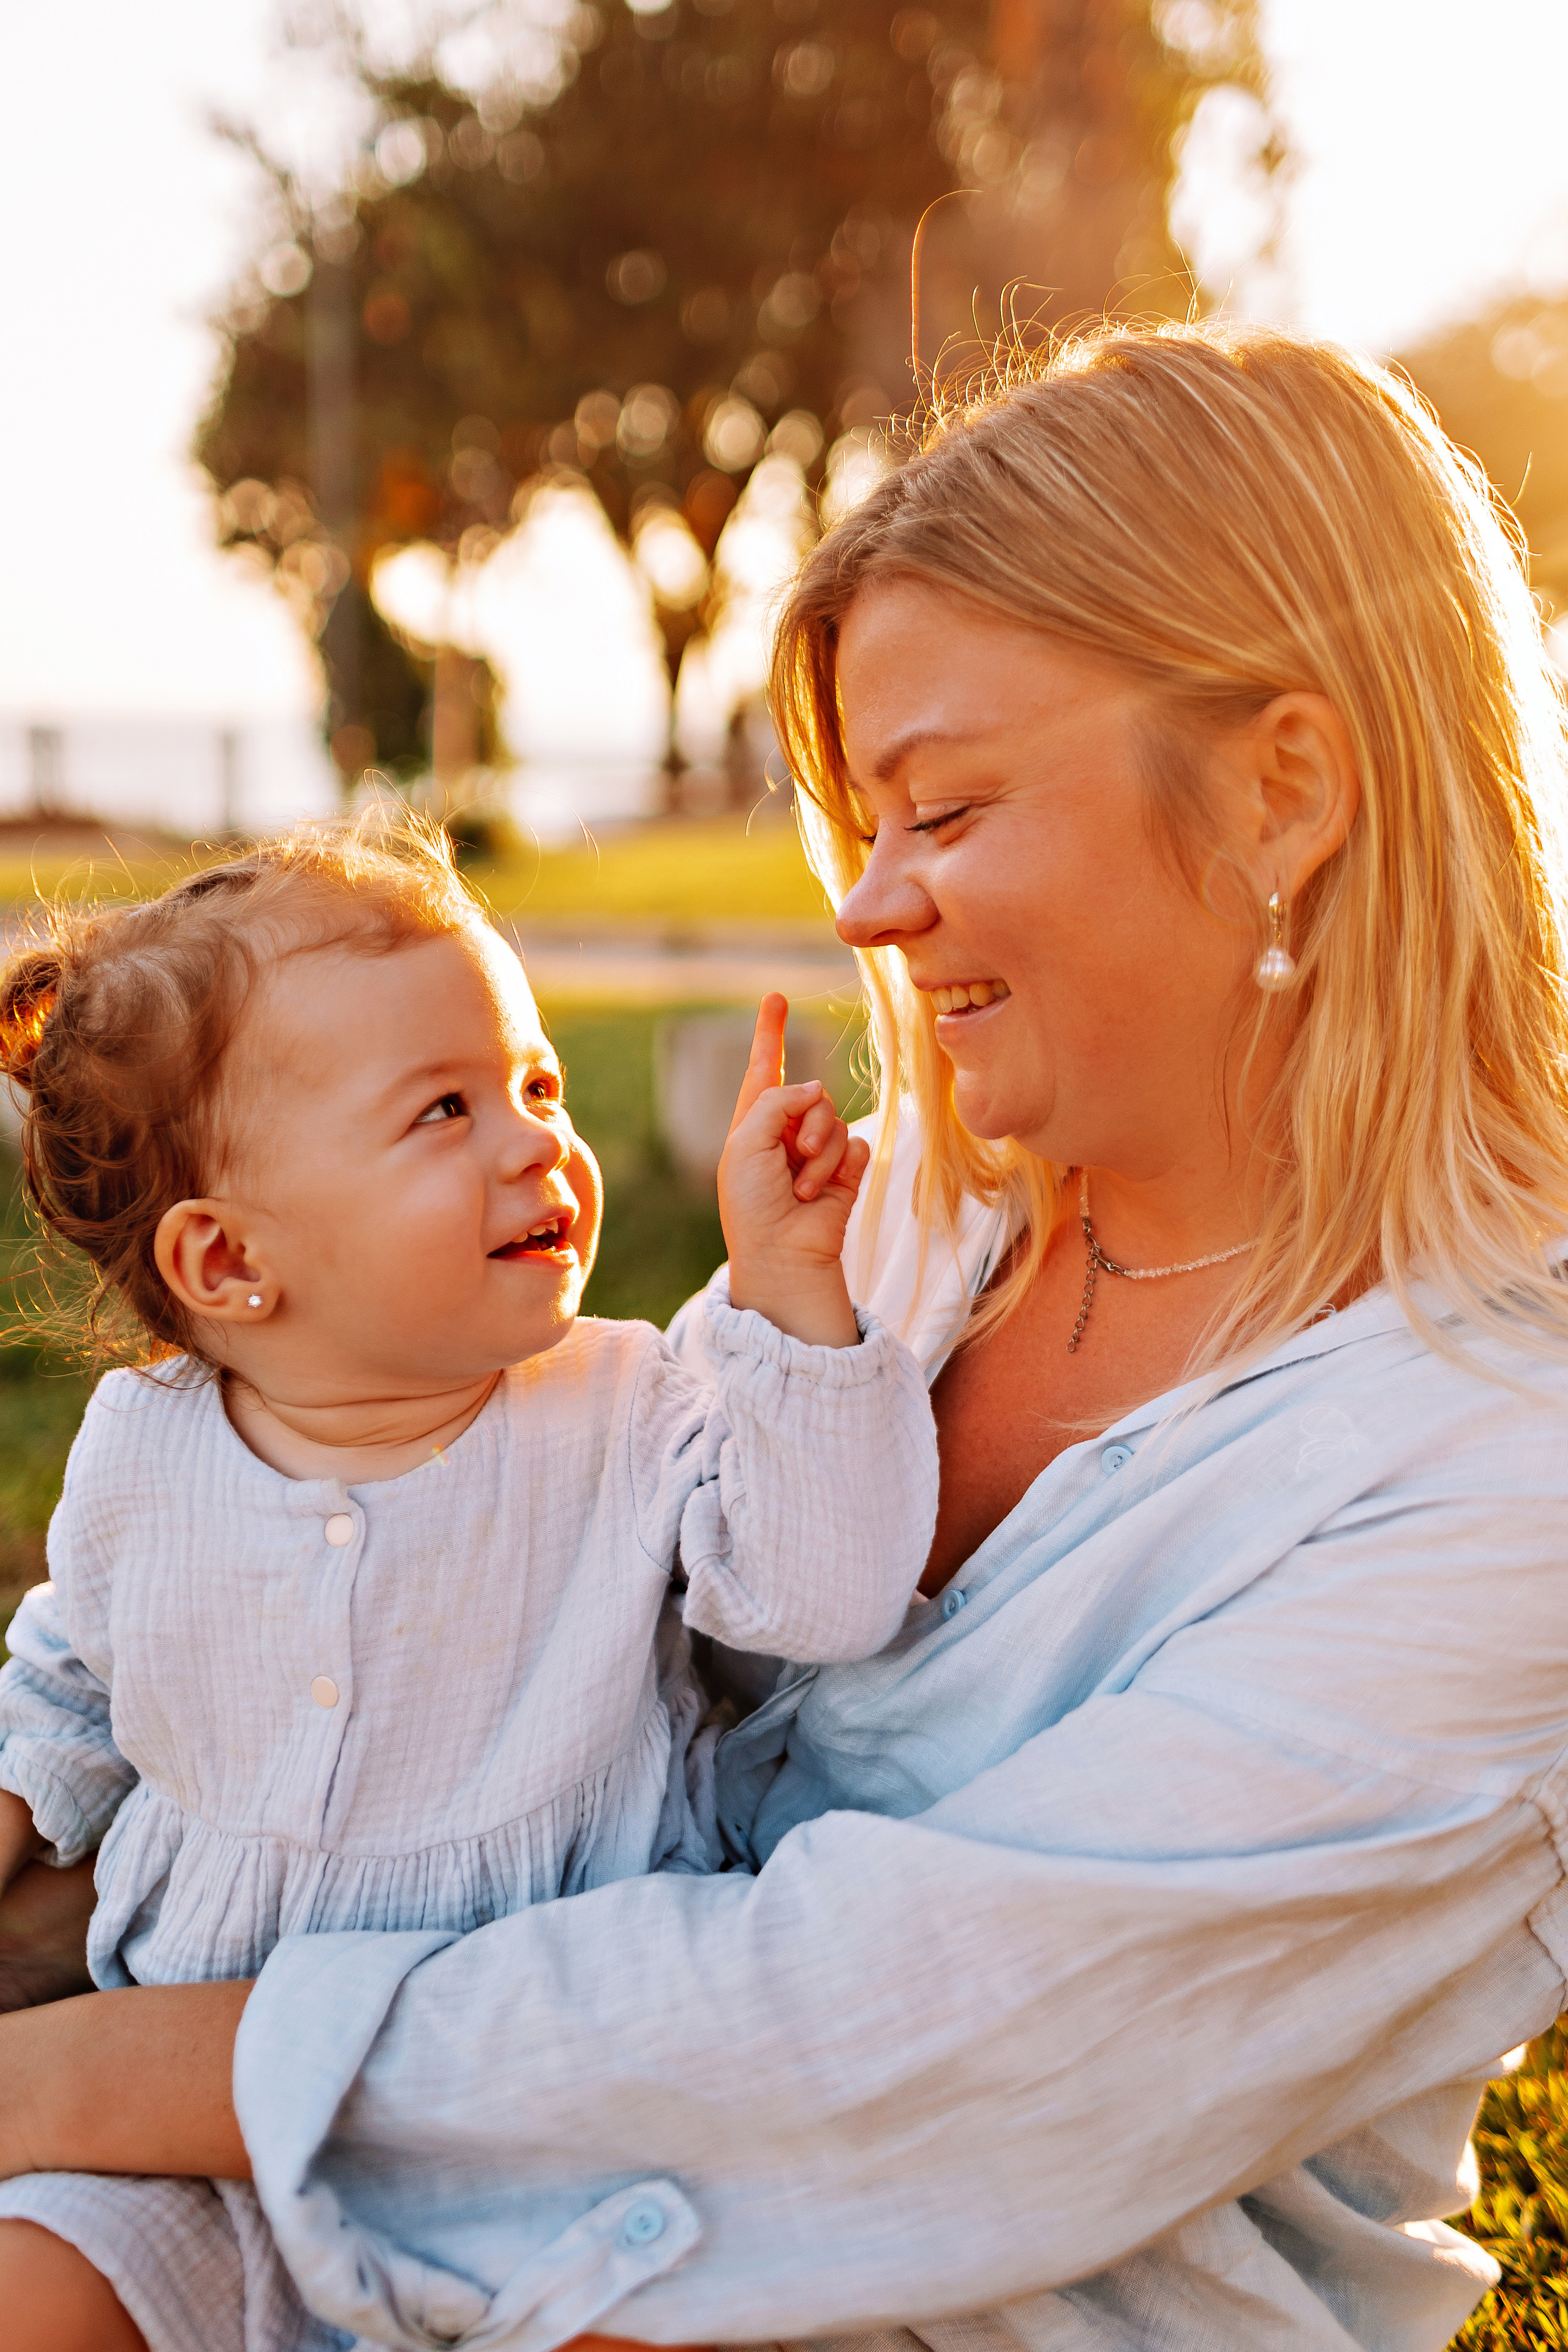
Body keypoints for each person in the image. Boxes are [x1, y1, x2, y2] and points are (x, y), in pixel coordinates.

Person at [2, 317, 1568, 2352]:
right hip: (465, 2244)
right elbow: (474, 1619)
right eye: (867, 823)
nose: (869, 911)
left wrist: (85, 2077)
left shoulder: (1504, 1467)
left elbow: (879, 2044)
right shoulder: (915, 1220)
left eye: (949, 809)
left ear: (1284, 793)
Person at [0, 821, 938, 2349]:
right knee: (31, 2291)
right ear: (226, 1262)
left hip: (536, 2138)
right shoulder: (143, 1452)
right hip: (188, 2130)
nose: (531, 1141)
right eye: (444, 1108)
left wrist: (789, 1303)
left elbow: (824, 1597)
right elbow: (74, 1669)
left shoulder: (632, 1411)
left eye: (537, 1084)